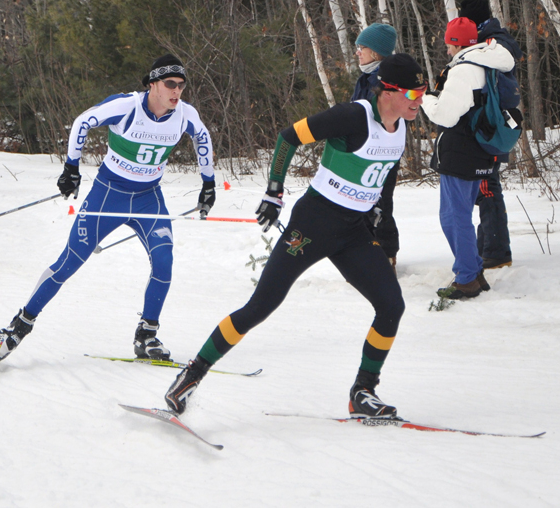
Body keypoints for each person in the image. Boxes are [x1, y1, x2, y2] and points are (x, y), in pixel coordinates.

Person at [164, 54, 428, 418]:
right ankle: (191, 375)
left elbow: (386, 171)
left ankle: (363, 392)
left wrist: (380, 209)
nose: (419, 101)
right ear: (387, 91)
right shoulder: (353, 116)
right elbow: (288, 137)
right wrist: (274, 192)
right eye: (413, 93)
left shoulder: (400, 126)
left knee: (391, 306)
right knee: (260, 306)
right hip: (313, 225)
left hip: (353, 231)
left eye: (423, 92)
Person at [0, 54, 216, 365]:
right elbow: (83, 121)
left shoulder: (184, 114)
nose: (177, 91)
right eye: (170, 84)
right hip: (108, 196)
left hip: (149, 198)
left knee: (164, 262)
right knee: (69, 262)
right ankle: (19, 326)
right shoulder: (127, 106)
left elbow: (202, 137)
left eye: (181, 85)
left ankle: (146, 335)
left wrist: (209, 183)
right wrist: (71, 167)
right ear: (153, 84)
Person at [421, 17, 514, 299]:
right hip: (481, 149)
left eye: (448, 42)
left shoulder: (463, 70)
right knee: (459, 213)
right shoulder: (490, 62)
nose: (447, 49)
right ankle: (473, 271)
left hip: (460, 152)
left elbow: (445, 115)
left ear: (454, 43)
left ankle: (466, 279)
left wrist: (425, 97)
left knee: (453, 216)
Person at [459, 0, 523, 269]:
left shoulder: (494, 41)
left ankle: (496, 251)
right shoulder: (489, 38)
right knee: (485, 186)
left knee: (487, 187)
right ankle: (487, 247)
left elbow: (506, 60)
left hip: (492, 124)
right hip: (487, 123)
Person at [352, 23, 402, 268]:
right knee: (363, 203)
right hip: (364, 152)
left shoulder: (384, 80)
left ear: (376, 52)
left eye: (362, 47)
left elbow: (380, 118)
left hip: (382, 153)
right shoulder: (366, 77)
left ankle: (386, 255)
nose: (357, 52)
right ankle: (369, 253)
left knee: (381, 204)